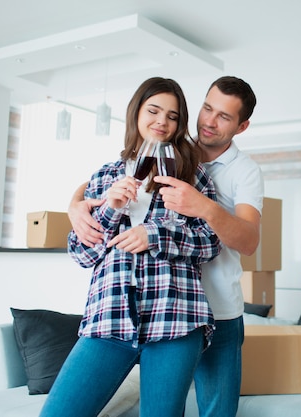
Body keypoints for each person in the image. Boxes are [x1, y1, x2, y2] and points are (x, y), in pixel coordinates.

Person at [68, 76, 262, 417]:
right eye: (206, 109)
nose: (209, 122)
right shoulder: (120, 168)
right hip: (112, 314)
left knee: (216, 410)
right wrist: (78, 203)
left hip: (193, 311)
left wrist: (188, 214)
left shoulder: (219, 173)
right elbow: (84, 245)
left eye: (224, 117)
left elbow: (242, 241)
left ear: (241, 126)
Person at [41, 77, 222, 417]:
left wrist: (155, 236)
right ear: (136, 113)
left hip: (175, 318)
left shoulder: (192, 177)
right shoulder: (104, 176)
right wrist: (110, 208)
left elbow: (211, 242)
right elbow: (83, 254)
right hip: (109, 318)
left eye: (172, 116)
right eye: (153, 111)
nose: (162, 122)